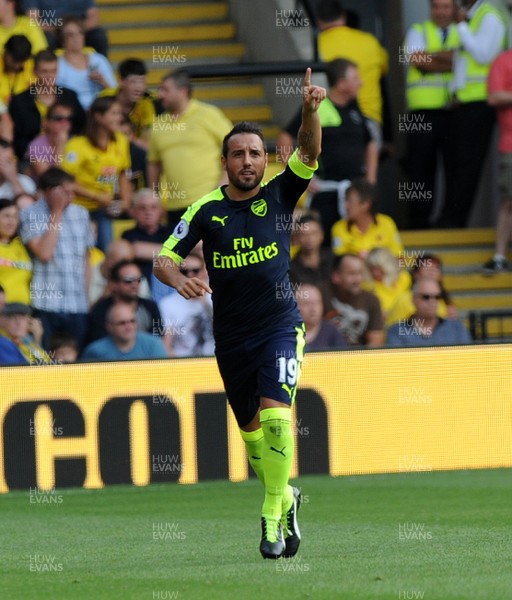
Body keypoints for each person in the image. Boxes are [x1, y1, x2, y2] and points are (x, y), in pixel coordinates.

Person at [153, 68, 326, 559]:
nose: (247, 161)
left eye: (255, 153)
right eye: (238, 154)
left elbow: (310, 153)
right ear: (224, 161)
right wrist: (178, 277)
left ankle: (272, 513)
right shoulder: (206, 210)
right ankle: (285, 494)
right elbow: (163, 258)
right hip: (230, 339)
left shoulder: (280, 193)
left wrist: (310, 111)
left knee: (276, 423)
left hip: (279, 327)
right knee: (253, 440)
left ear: (264, 160)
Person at [277, 58, 378, 245]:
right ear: (341, 83)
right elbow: (284, 137)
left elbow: (370, 143)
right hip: (326, 192)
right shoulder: (318, 106)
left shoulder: (355, 109)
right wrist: (297, 176)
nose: (361, 82)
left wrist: (370, 180)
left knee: (355, 243)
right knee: (321, 244)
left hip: (354, 194)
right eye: (356, 78)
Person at [437, 0, 507, 228]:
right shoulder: (470, 16)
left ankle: (455, 223)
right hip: (462, 103)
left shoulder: (489, 16)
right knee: (455, 165)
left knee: (467, 166)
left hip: (479, 103)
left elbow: (484, 56)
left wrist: (462, 26)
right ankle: (449, 219)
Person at [147, 69, 232, 230]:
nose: (160, 95)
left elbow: (236, 145)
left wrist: (225, 181)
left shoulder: (208, 114)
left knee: (213, 250)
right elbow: (154, 163)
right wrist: (154, 197)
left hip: (210, 201)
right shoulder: (158, 124)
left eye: (165, 90)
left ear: (183, 91)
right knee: (181, 254)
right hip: (175, 207)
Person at [19, 167, 94, 349]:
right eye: (65, 192)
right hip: (46, 304)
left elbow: (86, 259)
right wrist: (57, 212)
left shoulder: (82, 214)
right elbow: (45, 253)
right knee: (45, 361)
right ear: (50, 192)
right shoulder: (30, 214)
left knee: (77, 363)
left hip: (77, 304)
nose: (71, 197)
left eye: (72, 191)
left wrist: (87, 297)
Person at [402, 0, 460, 229]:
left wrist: (433, 57)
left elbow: (462, 59)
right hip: (422, 114)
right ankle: (419, 223)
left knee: (454, 170)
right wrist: (451, 60)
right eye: (436, 6)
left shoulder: (462, 30)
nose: (440, 11)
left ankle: (449, 222)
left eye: (446, 7)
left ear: (454, 9)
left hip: (453, 113)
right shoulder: (418, 30)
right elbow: (418, 60)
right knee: (419, 171)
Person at [61, 95, 131, 251]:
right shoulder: (77, 145)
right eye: (114, 113)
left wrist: (125, 202)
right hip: (76, 208)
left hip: (104, 209)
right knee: (81, 251)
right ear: (98, 117)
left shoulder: (121, 140)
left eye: (120, 113)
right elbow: (65, 180)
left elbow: (123, 173)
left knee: (107, 250)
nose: (119, 118)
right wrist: (97, 196)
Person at [315, 0, 389, 145]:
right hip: (369, 118)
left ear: (319, 21)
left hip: (331, 121)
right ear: (343, 17)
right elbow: (383, 70)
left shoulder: (316, 44)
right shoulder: (370, 42)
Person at [9, 49, 86, 161]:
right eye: (45, 71)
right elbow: (17, 140)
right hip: (31, 158)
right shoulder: (20, 101)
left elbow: (81, 127)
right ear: (34, 71)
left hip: (69, 154)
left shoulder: (70, 97)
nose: (50, 76)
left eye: (53, 71)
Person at [86, 259, 163, 347]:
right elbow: (97, 343)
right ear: (113, 284)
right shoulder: (100, 309)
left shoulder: (150, 307)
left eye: (138, 280)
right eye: (128, 280)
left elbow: (158, 339)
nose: (134, 285)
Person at [482, 49, 512, 273]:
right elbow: (494, 97)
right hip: (511, 145)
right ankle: (500, 255)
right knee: (509, 201)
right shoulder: (504, 59)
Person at [158, 250, 214, 357]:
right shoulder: (168, 303)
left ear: (205, 271)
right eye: (184, 272)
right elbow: (167, 344)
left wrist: (205, 303)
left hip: (215, 361)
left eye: (195, 270)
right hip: (183, 364)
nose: (190, 275)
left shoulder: (217, 298)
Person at [386, 278, 471, 346]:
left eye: (437, 297)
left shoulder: (456, 328)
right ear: (413, 299)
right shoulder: (397, 331)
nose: (432, 301)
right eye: (426, 297)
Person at [331, 178, 403, 259]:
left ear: (366, 204)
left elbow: (398, 257)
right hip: (356, 270)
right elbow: (339, 263)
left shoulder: (387, 223)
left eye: (350, 201)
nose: (345, 206)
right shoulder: (339, 228)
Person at [56, 16, 116, 110]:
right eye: (70, 35)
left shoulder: (99, 60)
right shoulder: (57, 63)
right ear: (62, 39)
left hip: (99, 111)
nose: (76, 38)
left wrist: (102, 81)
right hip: (71, 111)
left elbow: (114, 92)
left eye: (80, 33)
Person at [325, 253, 384, 347]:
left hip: (359, 358)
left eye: (360, 273)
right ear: (336, 276)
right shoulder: (320, 295)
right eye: (352, 273)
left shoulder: (371, 300)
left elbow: (375, 342)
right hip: (323, 357)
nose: (357, 279)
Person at [99, 58, 156, 151]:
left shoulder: (146, 104)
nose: (139, 88)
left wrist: (130, 138)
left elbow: (148, 141)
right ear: (121, 81)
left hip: (133, 148)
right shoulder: (105, 97)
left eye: (142, 82)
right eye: (134, 82)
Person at [81, 302, 168, 361]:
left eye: (132, 321)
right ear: (109, 326)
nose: (128, 326)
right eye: (122, 323)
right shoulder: (95, 351)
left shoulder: (154, 345)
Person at [121, 187, 170, 288]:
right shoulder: (128, 235)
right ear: (133, 212)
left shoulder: (171, 233)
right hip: (138, 285)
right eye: (142, 208)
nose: (148, 212)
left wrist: (142, 250)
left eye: (153, 207)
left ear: (161, 210)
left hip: (169, 284)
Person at [23, 0, 109, 57]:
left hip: (80, 30)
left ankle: (101, 70)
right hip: (52, 32)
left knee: (98, 36)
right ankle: (50, 76)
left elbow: (94, 17)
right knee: (45, 40)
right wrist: (60, 30)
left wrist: (74, 30)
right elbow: (33, 20)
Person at [24, 100, 72, 181]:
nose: (65, 123)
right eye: (59, 118)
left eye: (68, 119)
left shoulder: (76, 142)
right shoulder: (37, 146)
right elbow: (50, 181)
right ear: (46, 122)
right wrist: (60, 147)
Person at [295, 281, 347, 351]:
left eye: (317, 302)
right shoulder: (284, 332)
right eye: (306, 303)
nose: (313, 309)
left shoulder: (331, 331)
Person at [0, 197, 31, 303]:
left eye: (15, 216)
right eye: (6, 216)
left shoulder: (21, 245)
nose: (11, 221)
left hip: (23, 311)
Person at [0, 34, 33, 107]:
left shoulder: (33, 67)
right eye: (14, 60)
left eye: (21, 61)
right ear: (6, 50)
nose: (17, 65)